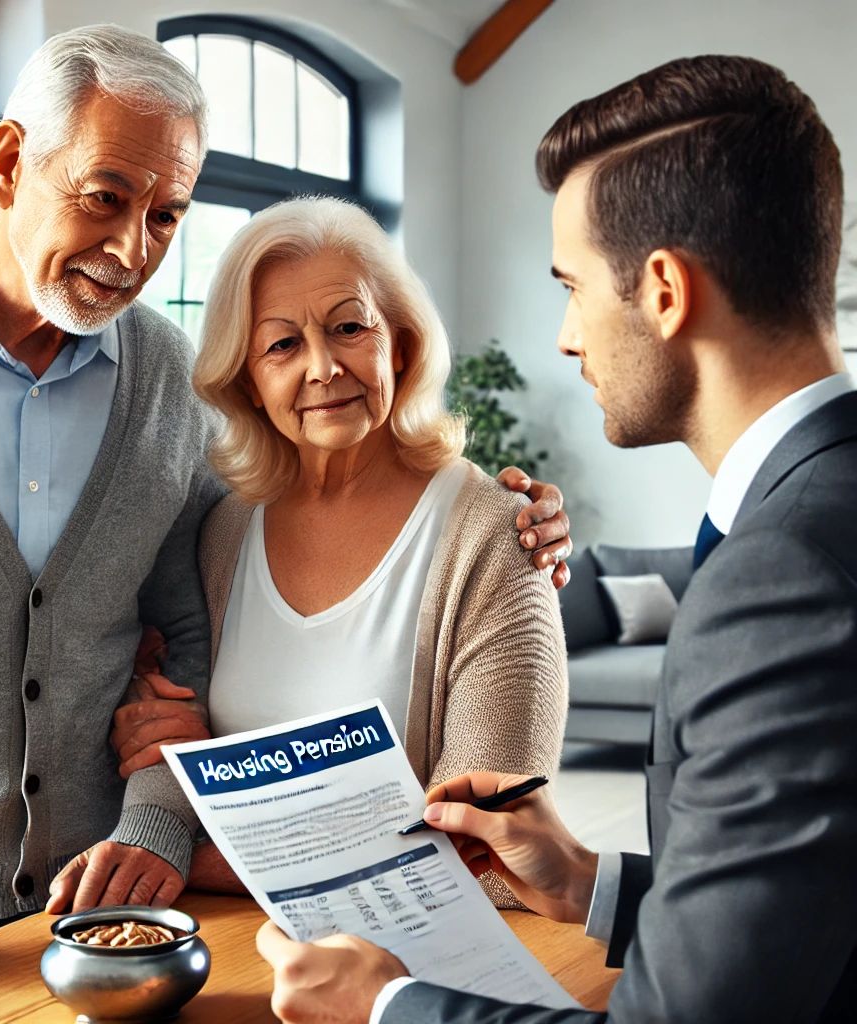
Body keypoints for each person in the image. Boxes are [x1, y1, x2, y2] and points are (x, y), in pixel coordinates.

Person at [0, 25, 573, 1010]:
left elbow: (174, 641)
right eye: (106, 197)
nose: (132, 249)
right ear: (9, 163)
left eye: (167, 215)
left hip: (126, 912)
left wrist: (153, 830)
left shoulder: (166, 379)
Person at [254, 54, 857, 1024]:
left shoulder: (784, 571)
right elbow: (816, 906)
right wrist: (587, 879)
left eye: (572, 287)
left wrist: (386, 1004)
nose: (568, 336)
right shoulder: (816, 507)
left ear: (662, 290)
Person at [110, 197, 571, 905]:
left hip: (413, 975)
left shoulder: (495, 538)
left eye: (349, 327)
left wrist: (208, 863)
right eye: (282, 344)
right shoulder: (223, 531)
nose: (323, 367)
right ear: (249, 384)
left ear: (402, 345)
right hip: (232, 952)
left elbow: (497, 852)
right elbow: (179, 732)